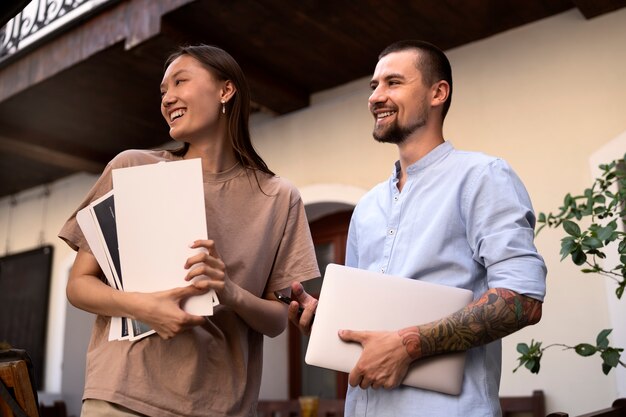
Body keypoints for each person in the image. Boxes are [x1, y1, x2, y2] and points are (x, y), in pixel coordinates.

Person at [288, 40, 547, 417]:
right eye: (374, 86)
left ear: (437, 92)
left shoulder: (482, 177)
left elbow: (523, 299)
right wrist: (326, 322)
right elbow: (367, 327)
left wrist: (409, 345)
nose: (377, 96)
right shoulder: (367, 208)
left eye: (393, 83)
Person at [59, 44, 319, 417]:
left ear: (226, 90)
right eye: (163, 91)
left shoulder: (278, 196)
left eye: (180, 82)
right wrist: (145, 307)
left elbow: (278, 320)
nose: (168, 98)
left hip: (220, 404)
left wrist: (229, 291)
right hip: (122, 394)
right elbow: (79, 285)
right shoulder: (133, 168)